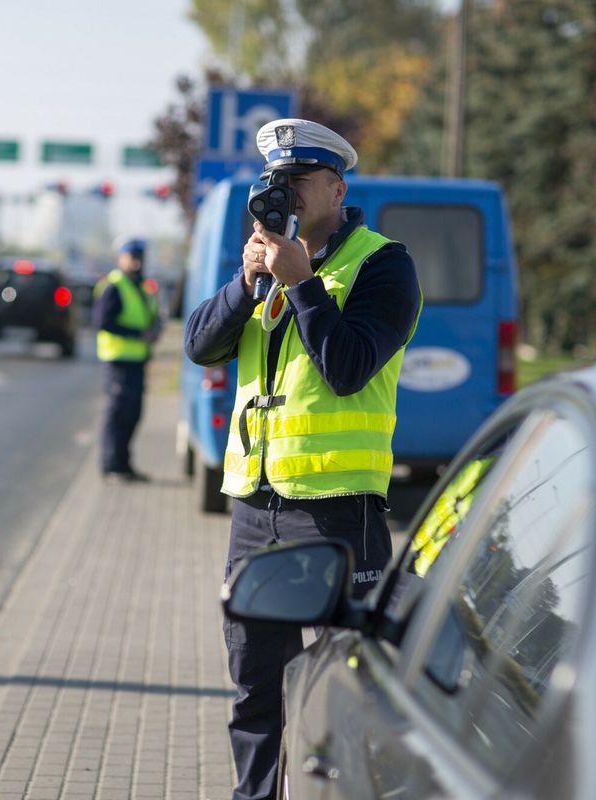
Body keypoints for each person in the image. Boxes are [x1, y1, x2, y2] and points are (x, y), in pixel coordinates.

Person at [184, 118, 422, 800]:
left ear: (336, 187)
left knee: (348, 682)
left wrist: (303, 283)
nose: (280, 192)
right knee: (255, 687)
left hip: (337, 514)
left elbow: (347, 368)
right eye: (272, 182)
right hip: (256, 511)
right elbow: (201, 345)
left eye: (295, 181)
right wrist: (247, 282)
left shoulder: (384, 264)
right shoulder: (265, 261)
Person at [94, 238, 161, 483]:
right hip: (119, 361)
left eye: (139, 257)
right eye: (131, 256)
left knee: (133, 414)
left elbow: (150, 316)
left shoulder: (143, 286)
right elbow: (103, 322)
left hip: (138, 360)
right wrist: (138, 334)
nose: (136, 261)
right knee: (118, 414)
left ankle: (123, 464)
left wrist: (155, 328)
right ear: (121, 258)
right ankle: (111, 466)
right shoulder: (114, 285)